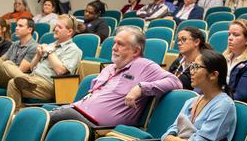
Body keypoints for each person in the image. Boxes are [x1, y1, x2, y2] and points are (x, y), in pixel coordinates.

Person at [46, 27, 181, 129]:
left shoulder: (144, 65)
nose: (114, 48)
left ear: (135, 51)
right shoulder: (109, 68)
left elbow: (175, 82)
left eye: (120, 44)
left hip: (100, 127)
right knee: (40, 115)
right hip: (78, 112)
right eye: (114, 43)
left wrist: (141, 88)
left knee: (50, 118)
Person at [142, 49, 236, 141]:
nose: (191, 71)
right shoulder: (191, 101)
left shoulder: (224, 105)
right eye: (192, 66)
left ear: (213, 75)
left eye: (196, 67)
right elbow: (169, 133)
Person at [0, 15, 83, 106]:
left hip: (49, 85)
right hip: (33, 77)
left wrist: (49, 52)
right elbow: (32, 67)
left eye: (60, 27)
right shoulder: (51, 44)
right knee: (7, 63)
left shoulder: (74, 50)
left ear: (69, 32)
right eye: (56, 26)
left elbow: (61, 71)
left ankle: (15, 114)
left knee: (13, 83)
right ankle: (24, 85)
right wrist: (38, 55)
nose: (55, 29)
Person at [0, 17, 39, 87]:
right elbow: (2, 59)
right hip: (4, 76)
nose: (16, 28)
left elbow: (20, 71)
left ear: (30, 30)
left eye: (20, 26)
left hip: (16, 79)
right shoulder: (15, 44)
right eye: (17, 25)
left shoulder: (34, 46)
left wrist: (2, 65)